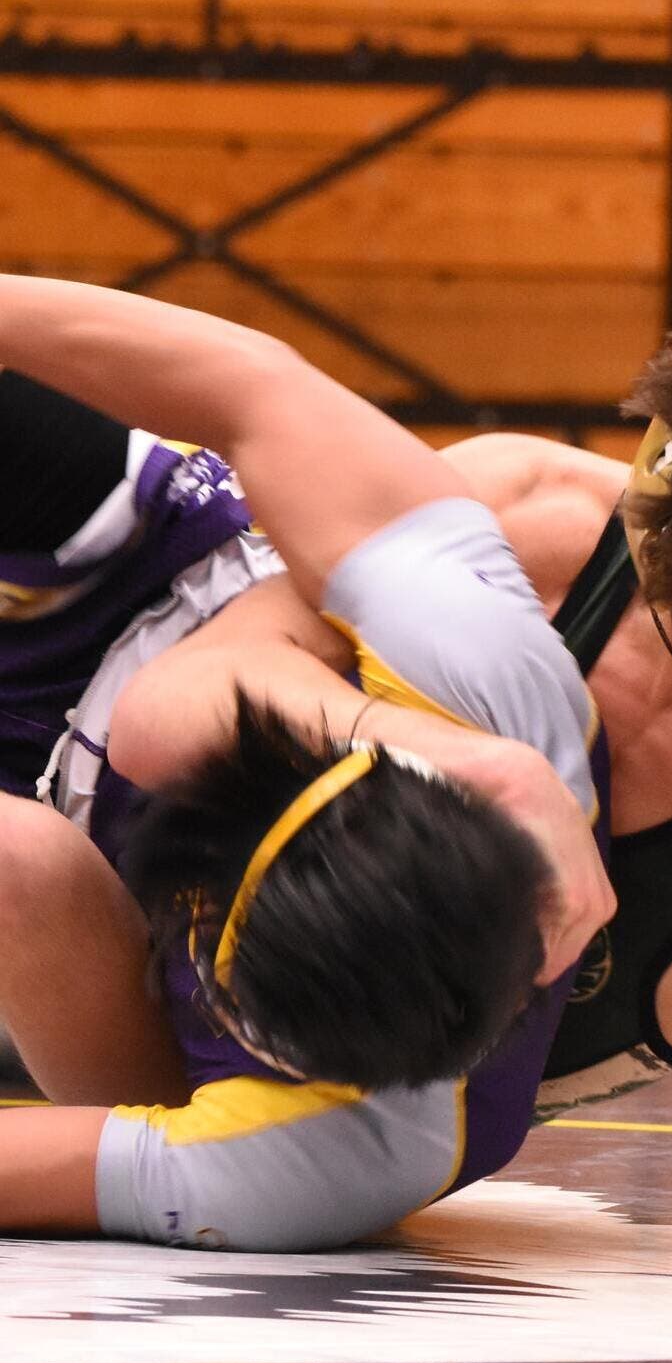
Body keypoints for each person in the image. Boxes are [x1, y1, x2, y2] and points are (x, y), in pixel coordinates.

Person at [5, 276, 672, 1298]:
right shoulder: (526, 558)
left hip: (119, 952)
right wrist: (475, 763)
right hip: (140, 625)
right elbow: (175, 698)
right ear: (653, 537)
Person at [0, 276, 612, 1247]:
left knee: (17, 861)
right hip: (155, 588)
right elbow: (261, 391)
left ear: (244, 1027)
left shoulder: (319, 1163)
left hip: (57, 869)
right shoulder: (494, 690)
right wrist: (476, 759)